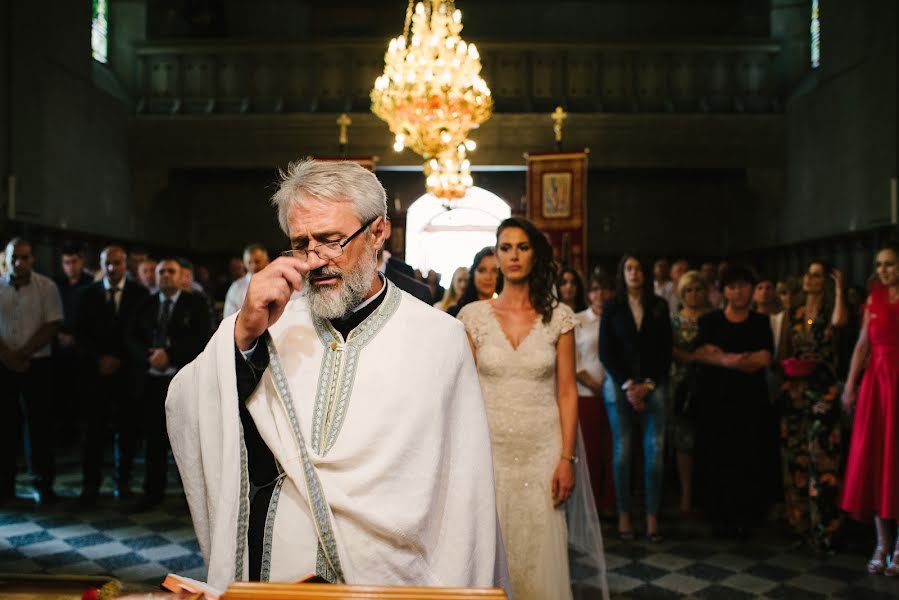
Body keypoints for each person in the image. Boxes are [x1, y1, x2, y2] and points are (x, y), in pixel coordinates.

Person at [166, 160, 507, 590]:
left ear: (378, 232)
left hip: (392, 572)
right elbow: (185, 404)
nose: (315, 261)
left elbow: (464, 484)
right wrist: (242, 334)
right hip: (280, 564)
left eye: (330, 241)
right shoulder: (270, 321)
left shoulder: (440, 338)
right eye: (300, 244)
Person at [459, 217, 606, 600]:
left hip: (543, 451)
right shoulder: (472, 318)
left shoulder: (559, 317)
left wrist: (567, 458)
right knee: (490, 551)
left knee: (541, 555)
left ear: (534, 255)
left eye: (522, 247)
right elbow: (464, 395)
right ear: (496, 254)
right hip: (489, 453)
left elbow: (567, 393)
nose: (513, 255)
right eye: (505, 247)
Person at [691, 264, 774, 536]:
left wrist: (724, 358)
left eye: (743, 286)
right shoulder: (710, 321)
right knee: (718, 455)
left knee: (748, 455)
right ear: (724, 291)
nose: (738, 292)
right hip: (717, 399)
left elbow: (764, 358)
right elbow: (701, 354)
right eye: (732, 287)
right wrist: (735, 360)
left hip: (751, 401)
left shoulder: (761, 322)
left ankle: (747, 513)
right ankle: (718, 513)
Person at [128, 258, 211, 511]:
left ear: (180, 275)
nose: (165, 276)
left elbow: (203, 338)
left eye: (170, 271)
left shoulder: (195, 303)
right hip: (152, 380)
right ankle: (153, 491)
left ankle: (192, 498)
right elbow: (131, 335)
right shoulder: (146, 304)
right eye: (161, 271)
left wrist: (170, 354)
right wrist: (149, 355)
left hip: (182, 379)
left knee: (187, 442)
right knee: (154, 440)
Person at [599, 254, 672, 542]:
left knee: (654, 454)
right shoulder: (612, 307)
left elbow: (666, 349)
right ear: (622, 273)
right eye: (629, 268)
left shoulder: (659, 306)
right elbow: (606, 351)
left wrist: (649, 384)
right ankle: (624, 515)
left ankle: (652, 517)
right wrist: (629, 385)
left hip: (654, 384)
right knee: (623, 452)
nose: (634, 273)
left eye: (639, 268)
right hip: (620, 385)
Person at [779, 260, 847, 553]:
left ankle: (826, 530)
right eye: (808, 274)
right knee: (796, 460)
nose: (810, 279)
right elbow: (783, 350)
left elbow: (839, 325)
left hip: (823, 392)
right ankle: (800, 526)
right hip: (795, 392)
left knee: (823, 462)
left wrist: (840, 290)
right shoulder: (793, 313)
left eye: (818, 276)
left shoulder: (829, 313)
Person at [840, 243, 899, 574]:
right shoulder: (873, 300)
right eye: (879, 264)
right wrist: (850, 384)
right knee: (875, 458)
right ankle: (882, 543)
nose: (883, 270)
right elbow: (862, 344)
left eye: (890, 264)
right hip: (876, 385)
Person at [76, 245, 149, 504]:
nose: (111, 268)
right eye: (107, 263)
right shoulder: (88, 294)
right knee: (93, 431)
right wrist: (99, 359)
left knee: (126, 431)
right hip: (95, 373)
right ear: (101, 263)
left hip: (126, 372)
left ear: (125, 264)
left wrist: (121, 359)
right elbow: (80, 334)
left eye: (117, 263)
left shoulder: (140, 295)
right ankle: (90, 485)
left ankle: (123, 483)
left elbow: (143, 334)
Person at [0, 238, 63, 504]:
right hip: (2, 363)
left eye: (24, 257)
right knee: (4, 425)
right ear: (7, 257)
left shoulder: (46, 287)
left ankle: (42, 484)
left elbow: (52, 324)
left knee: (39, 425)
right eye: (14, 257)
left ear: (32, 259)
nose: (18, 262)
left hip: (36, 363)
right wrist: (6, 355)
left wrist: (23, 354)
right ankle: (4, 485)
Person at [575, 271, 616, 518]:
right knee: (588, 451)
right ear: (588, 293)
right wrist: (595, 384)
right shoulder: (579, 320)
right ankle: (588, 506)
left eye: (605, 289)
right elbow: (574, 360)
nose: (599, 295)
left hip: (613, 393)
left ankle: (609, 501)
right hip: (585, 392)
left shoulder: (615, 318)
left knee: (611, 450)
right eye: (595, 290)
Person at [667, 270, 708, 516]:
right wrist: (690, 356)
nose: (693, 295)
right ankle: (685, 494)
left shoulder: (714, 317)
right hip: (681, 383)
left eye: (698, 289)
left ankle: (704, 492)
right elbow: (667, 347)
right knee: (683, 441)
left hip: (708, 381)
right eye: (689, 290)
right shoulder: (674, 319)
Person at [53, 243, 93, 446]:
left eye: (74, 262)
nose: (71, 267)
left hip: (83, 348)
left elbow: (95, 320)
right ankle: (63, 436)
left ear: (82, 261)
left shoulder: (91, 284)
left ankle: (80, 438)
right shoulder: (56, 284)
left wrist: (76, 338)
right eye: (66, 263)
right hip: (58, 346)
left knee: (82, 396)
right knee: (61, 394)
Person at [447, 246, 499, 317]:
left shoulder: (508, 312)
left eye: (495, 271)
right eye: (482, 270)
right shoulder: (455, 312)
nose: (488, 277)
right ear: (473, 274)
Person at [223, 244, 271, 318]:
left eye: (257, 261)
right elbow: (228, 318)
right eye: (249, 262)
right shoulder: (236, 288)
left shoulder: (279, 283)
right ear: (244, 264)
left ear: (267, 261)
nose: (253, 266)